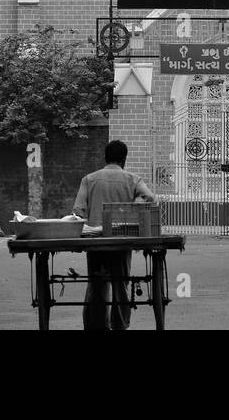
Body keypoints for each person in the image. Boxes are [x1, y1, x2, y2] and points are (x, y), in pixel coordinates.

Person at [72, 139, 158, 331]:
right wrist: (136, 202)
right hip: (122, 240)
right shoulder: (132, 179)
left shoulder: (89, 179)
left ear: (106, 157)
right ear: (124, 159)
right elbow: (150, 199)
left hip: (96, 242)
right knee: (121, 284)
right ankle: (119, 324)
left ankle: (96, 325)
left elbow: (78, 210)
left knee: (97, 284)